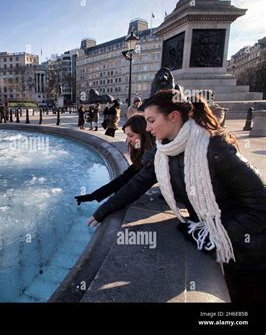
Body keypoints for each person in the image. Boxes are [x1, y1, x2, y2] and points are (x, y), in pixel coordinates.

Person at [87, 89, 266, 302]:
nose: (148, 128)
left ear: (173, 117)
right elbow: (135, 185)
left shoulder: (215, 148)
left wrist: (214, 233)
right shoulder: (164, 152)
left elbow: (260, 206)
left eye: (152, 120)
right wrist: (102, 212)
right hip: (218, 243)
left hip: (252, 250)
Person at [75, 114, 155, 205]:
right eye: (127, 136)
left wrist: (102, 211)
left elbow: (134, 188)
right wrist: (93, 196)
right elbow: (124, 178)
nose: (128, 141)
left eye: (131, 135)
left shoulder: (153, 158)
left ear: (144, 134)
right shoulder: (143, 154)